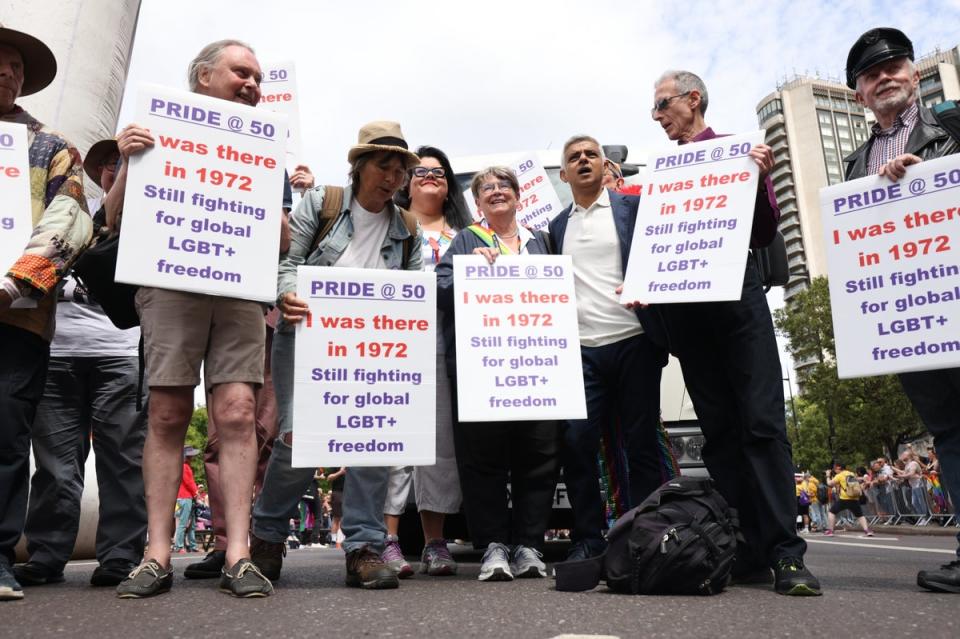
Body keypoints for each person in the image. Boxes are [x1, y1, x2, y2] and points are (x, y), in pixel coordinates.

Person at [625, 69, 821, 596]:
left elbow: (761, 232)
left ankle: (786, 554)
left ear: (693, 99)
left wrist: (756, 181)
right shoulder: (661, 174)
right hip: (688, 316)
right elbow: (654, 242)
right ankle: (745, 548)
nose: (658, 117)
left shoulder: (739, 155)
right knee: (721, 434)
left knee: (761, 425)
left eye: (662, 105)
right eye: (654, 111)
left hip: (739, 304)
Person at [112, 39, 277, 599]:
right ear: (204, 76)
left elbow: (278, 240)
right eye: (242, 73)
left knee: (237, 411)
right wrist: (127, 163)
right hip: (171, 285)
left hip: (237, 292)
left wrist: (287, 193)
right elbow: (114, 222)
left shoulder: (264, 147)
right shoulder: (155, 132)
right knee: (167, 412)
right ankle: (157, 553)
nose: (253, 84)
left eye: (257, 77)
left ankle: (238, 554)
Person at [250, 121, 423, 590]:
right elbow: (289, 261)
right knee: (296, 439)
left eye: (400, 170)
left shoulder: (407, 229)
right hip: (306, 338)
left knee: (372, 439)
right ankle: (265, 537)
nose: (392, 178)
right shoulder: (321, 204)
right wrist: (287, 293)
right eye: (383, 166)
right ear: (360, 166)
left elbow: (415, 290)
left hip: (375, 350)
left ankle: (364, 548)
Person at [843, 28, 960, 593]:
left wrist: (928, 178)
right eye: (871, 74)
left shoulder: (953, 127)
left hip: (952, 293)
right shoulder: (854, 164)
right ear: (859, 95)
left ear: (915, 74)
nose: (884, 76)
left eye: (894, 66)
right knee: (948, 429)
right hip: (910, 317)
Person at [14, 138, 147, 590]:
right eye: (111, 163)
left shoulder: (155, 218)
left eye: (125, 162)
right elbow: (93, 226)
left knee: (123, 460)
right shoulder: (71, 210)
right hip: (58, 351)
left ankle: (120, 554)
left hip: (121, 354)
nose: (117, 169)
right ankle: (47, 553)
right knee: (54, 462)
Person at [185, 164, 314, 580]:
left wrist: (300, 200)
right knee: (226, 431)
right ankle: (227, 544)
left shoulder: (294, 190)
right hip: (227, 312)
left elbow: (293, 251)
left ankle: (259, 540)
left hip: (278, 322)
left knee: (272, 437)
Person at [0, 25, 92, 603]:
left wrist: (13, 285)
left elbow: (72, 220)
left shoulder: (49, 147)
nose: (6, 72)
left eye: (14, 66)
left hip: (18, 319)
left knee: (7, 438)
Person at [436, 166, 561, 582]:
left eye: (503, 185)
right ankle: (492, 545)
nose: (496, 191)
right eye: (486, 188)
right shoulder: (466, 240)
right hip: (483, 370)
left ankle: (528, 544)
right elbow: (440, 287)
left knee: (538, 458)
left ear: (518, 195)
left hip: (538, 369)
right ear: (477, 202)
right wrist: (469, 269)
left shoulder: (542, 242)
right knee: (482, 460)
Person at [548, 135, 669, 563]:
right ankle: (588, 538)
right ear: (564, 175)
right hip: (582, 352)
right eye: (573, 158)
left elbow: (661, 260)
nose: (583, 161)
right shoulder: (556, 227)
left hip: (635, 341)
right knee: (578, 442)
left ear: (604, 167)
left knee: (640, 443)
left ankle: (645, 536)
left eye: (590, 155)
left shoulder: (633, 210)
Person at [381, 146, 472, 578]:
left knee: (439, 449)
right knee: (392, 445)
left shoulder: (469, 234)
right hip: (392, 348)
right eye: (418, 171)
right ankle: (389, 542)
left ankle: (435, 542)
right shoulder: (387, 224)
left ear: (449, 182)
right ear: (405, 181)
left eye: (437, 172)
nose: (428, 177)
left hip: (444, 350)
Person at [824, 462, 873, 537]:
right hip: (854, 498)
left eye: (834, 468)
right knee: (860, 515)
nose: (834, 470)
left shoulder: (839, 475)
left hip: (844, 498)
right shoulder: (851, 473)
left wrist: (827, 476)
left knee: (831, 512)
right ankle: (867, 530)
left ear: (838, 468)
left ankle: (830, 530)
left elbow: (830, 484)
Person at [173, 447, 201, 553]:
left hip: (185, 498)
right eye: (190, 455)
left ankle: (192, 545)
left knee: (191, 524)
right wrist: (196, 493)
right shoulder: (184, 467)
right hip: (185, 498)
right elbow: (189, 482)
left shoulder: (183, 466)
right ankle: (179, 546)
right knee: (183, 523)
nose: (192, 457)